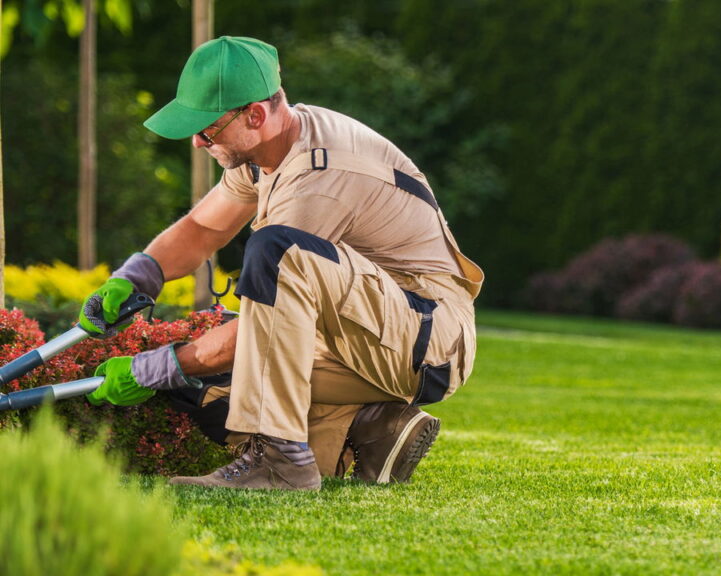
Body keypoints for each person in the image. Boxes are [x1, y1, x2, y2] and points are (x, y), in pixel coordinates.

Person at [79, 36, 484, 491]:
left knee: (271, 258)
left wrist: (153, 368)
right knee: (206, 388)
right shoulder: (265, 152)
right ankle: (373, 427)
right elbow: (204, 229)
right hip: (369, 334)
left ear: (254, 114)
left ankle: (282, 462)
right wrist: (136, 276)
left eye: (207, 130)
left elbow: (258, 325)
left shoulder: (320, 177)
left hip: (425, 338)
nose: (196, 142)